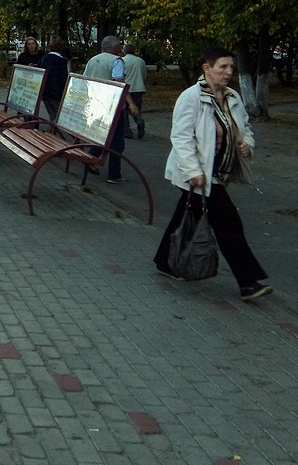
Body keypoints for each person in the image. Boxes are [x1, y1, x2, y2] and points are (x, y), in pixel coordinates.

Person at [153, 47, 272, 301]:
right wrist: (193, 171)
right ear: (207, 69)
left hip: (221, 171)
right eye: (223, 67)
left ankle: (164, 261)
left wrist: (247, 144)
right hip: (200, 173)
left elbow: (244, 127)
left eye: (231, 67)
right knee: (228, 223)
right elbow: (181, 138)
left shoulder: (232, 97)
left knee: (186, 216)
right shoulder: (191, 98)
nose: (229, 72)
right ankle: (247, 281)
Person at [84, 35, 139, 184]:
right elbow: (120, 85)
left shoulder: (92, 60)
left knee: (103, 136)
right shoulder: (117, 62)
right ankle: (114, 174)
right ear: (114, 48)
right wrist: (131, 104)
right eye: (119, 46)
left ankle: (91, 158)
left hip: (95, 104)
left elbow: (85, 80)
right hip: (112, 107)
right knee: (117, 141)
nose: (120, 49)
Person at [38, 38, 69, 122]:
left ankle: (52, 131)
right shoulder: (62, 60)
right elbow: (64, 78)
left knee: (52, 115)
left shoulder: (43, 58)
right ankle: (54, 133)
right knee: (60, 116)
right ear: (61, 48)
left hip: (44, 92)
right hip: (56, 93)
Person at [122, 42, 147, 139]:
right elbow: (144, 74)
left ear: (124, 50)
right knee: (136, 108)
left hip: (127, 88)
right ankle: (139, 121)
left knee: (124, 111)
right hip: (139, 88)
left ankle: (127, 131)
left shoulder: (122, 61)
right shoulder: (140, 61)